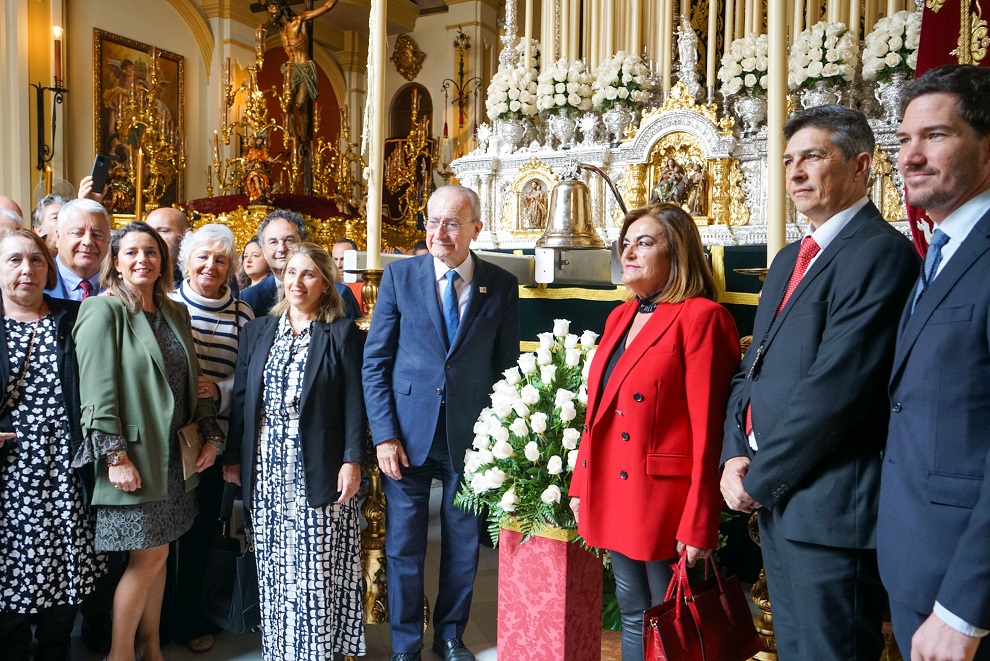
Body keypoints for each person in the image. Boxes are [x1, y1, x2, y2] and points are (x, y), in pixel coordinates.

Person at [719, 105, 919, 660]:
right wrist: (734, 454)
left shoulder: (881, 253)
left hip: (831, 508)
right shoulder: (788, 259)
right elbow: (750, 368)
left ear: (861, 165)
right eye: (788, 160)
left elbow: (836, 391)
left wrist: (761, 477)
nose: (796, 172)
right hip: (782, 503)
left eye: (813, 156)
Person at [568, 204, 739, 660]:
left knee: (672, 618)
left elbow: (710, 429)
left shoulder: (702, 317)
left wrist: (700, 518)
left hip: (666, 500)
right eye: (626, 243)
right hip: (618, 490)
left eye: (645, 242)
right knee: (631, 608)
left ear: (678, 252)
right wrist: (582, 480)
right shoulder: (620, 317)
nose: (630, 252)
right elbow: (597, 413)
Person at [363, 185, 520, 661]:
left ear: (475, 228)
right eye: (432, 222)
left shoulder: (501, 284)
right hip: (406, 436)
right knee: (404, 547)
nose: (439, 233)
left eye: (452, 223)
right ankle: (407, 643)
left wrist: (499, 439)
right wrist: (385, 434)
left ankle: (450, 635)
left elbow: (505, 367)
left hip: (471, 441)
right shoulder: (399, 277)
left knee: (463, 545)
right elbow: (376, 363)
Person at [879, 65, 990, 661]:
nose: (911, 156)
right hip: (916, 560)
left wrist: (966, 608)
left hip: (967, 588)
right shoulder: (942, 250)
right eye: (903, 140)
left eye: (936, 136)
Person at [71, 221, 221, 661]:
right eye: (132, 252)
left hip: (177, 458)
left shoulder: (176, 312)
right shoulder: (103, 310)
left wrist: (210, 433)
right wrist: (114, 456)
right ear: (115, 261)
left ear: (163, 262)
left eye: (152, 252)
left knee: (159, 557)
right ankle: (119, 655)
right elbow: (95, 395)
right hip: (134, 457)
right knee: (146, 560)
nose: (143, 260)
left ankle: (151, 646)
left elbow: (194, 380)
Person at [223, 242, 366, 660]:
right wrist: (234, 458)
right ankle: (282, 649)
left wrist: (352, 459)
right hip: (267, 465)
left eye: (308, 274)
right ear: (281, 279)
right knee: (275, 566)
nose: (297, 282)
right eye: (291, 273)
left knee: (314, 566)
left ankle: (318, 650)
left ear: (325, 283)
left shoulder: (339, 332)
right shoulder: (258, 331)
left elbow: (354, 403)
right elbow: (244, 401)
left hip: (318, 464)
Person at [0, 228, 105, 661]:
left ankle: (56, 650)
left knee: (64, 569)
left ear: (48, 268)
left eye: (36, 260)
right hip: (9, 475)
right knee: (7, 574)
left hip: (63, 470)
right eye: (14, 261)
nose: (27, 269)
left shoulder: (72, 317)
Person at [166, 224, 254, 653]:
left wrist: (218, 388)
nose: (210, 266)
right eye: (202, 256)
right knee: (162, 536)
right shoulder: (164, 304)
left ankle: (192, 616)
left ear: (231, 268)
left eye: (221, 260)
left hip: (217, 437)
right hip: (168, 437)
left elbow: (254, 380)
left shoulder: (243, 315)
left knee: (201, 530)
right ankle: (158, 619)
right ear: (184, 261)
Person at [240, 209, 360, 320]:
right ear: (264, 251)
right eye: (273, 242)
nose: (281, 248)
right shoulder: (248, 298)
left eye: (289, 240)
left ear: (304, 244)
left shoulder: (340, 293)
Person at [265, 0, 340, 149]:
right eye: (268, 9)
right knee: (286, 106)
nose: (270, 12)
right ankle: (295, 140)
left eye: (272, 7)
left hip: (305, 67)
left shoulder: (299, 21)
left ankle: (305, 138)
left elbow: (326, 7)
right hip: (291, 69)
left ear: (280, 8)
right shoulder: (281, 30)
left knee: (300, 105)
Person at [45, 198, 111, 302]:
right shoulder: (38, 279)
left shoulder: (122, 285)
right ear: (58, 237)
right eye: (77, 233)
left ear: (108, 241)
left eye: (97, 235)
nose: (88, 242)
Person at [145, 206, 191, 286]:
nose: (154, 237)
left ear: (186, 235)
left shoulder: (198, 274)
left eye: (163, 231)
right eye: (149, 232)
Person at [331, 237, 365, 315]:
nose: (339, 265)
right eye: (335, 259)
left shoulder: (364, 286)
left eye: (343, 259)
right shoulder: (326, 286)